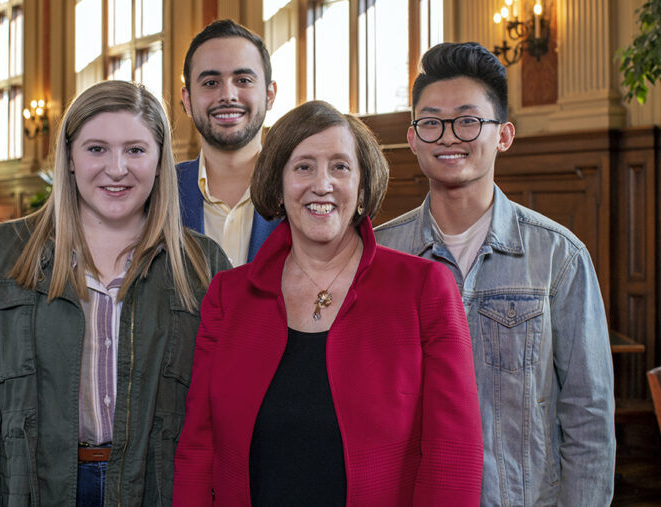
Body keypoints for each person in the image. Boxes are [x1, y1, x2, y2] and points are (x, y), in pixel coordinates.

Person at [0, 81, 231, 506]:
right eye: (96, 149)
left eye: (135, 150)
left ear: (160, 160)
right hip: (33, 488)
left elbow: (230, 417)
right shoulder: (2, 255)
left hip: (159, 490)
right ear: (70, 159)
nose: (116, 169)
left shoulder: (202, 265)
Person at [173, 100, 483, 506]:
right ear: (278, 184)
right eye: (303, 167)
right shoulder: (228, 297)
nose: (323, 184)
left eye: (340, 166)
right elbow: (198, 449)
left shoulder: (425, 288)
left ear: (362, 186)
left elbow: (453, 455)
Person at [375, 42, 615, 506]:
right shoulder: (381, 253)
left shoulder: (557, 256)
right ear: (412, 139)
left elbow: (589, 416)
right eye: (430, 122)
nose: (447, 136)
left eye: (467, 120)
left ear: (503, 135)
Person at [178, 19, 279, 266]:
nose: (227, 96)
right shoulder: (157, 193)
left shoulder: (301, 191)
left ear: (269, 95)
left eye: (243, 80)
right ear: (188, 100)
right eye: (211, 83)